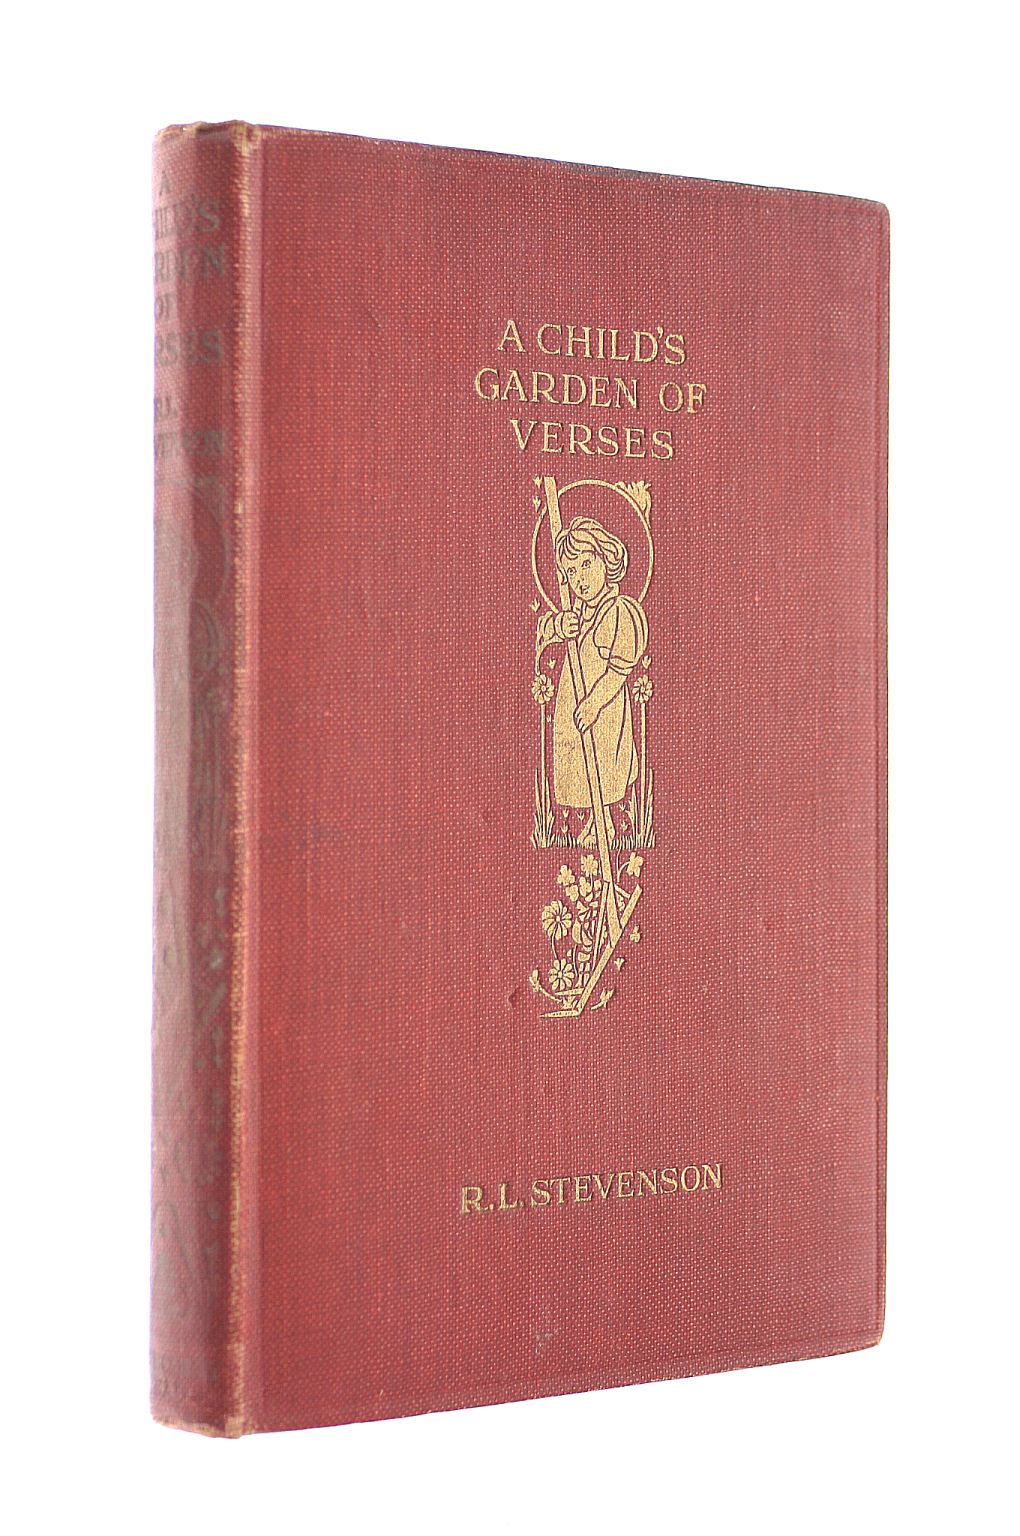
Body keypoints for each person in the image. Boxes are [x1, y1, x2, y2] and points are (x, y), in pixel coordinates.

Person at [536, 516, 648, 846]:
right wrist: (560, 626)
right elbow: (542, 632)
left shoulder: (618, 611)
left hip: (603, 711)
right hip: (575, 704)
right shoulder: (578, 614)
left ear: (606, 559)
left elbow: (618, 670)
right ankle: (592, 823)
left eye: (586, 564)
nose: (580, 579)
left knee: (601, 764)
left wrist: (594, 704)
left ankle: (605, 824)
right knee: (578, 767)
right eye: (571, 571)